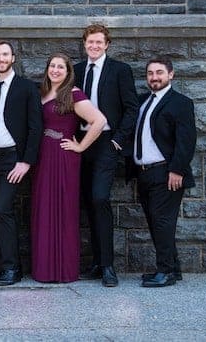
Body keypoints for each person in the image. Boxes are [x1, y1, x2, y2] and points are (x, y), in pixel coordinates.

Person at [31, 54, 106, 283]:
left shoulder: (73, 94)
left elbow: (99, 121)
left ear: (68, 72)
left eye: (60, 67)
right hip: (43, 156)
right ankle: (44, 269)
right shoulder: (42, 93)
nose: (55, 70)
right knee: (44, 209)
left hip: (63, 156)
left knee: (63, 209)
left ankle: (63, 270)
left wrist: (80, 146)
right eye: (52, 66)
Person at [74, 23, 138, 287]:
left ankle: (109, 266)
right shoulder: (76, 71)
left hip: (106, 143)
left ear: (107, 44)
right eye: (90, 42)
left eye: (99, 42)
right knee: (88, 202)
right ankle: (97, 263)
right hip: (80, 141)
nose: (94, 46)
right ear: (84, 44)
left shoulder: (120, 70)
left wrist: (117, 141)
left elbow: (132, 108)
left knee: (100, 198)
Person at [0, 40, 42, 286]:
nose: (1, 59)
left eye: (5, 54)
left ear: (13, 58)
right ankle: (6, 266)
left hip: (14, 158)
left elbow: (36, 127)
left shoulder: (26, 87)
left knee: (3, 209)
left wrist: (26, 162)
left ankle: (12, 268)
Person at [130, 57, 196, 288]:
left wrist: (177, 169)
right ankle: (173, 268)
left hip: (166, 173)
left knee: (163, 223)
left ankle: (165, 272)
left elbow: (186, 141)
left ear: (171, 74)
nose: (154, 77)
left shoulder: (181, 103)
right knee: (155, 222)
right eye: (150, 73)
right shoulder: (142, 101)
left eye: (159, 72)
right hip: (144, 173)